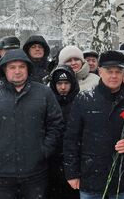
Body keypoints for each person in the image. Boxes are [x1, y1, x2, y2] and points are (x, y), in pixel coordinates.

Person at [0, 49, 64, 199]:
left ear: (28, 68)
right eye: (12, 67)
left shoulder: (43, 93)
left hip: (36, 174)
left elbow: (56, 125)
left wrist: (43, 150)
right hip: (1, 175)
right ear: (4, 70)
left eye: (22, 67)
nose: (17, 71)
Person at [64, 51, 124, 199]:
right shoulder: (83, 99)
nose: (114, 76)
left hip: (123, 179)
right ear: (100, 71)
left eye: (118, 71)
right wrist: (71, 173)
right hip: (91, 177)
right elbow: (71, 138)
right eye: (109, 71)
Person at [48, 65, 80, 199]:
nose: (62, 87)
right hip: (51, 161)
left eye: (66, 83)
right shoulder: (47, 103)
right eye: (59, 83)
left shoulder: (80, 102)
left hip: (74, 160)